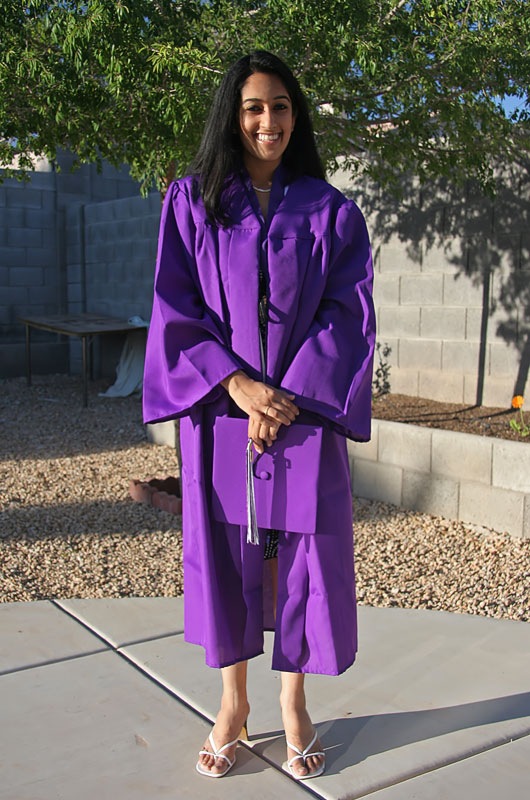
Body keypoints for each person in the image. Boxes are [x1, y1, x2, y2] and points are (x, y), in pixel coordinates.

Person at [143, 50, 375, 780]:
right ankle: (234, 703)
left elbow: (348, 317)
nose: (266, 121)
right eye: (252, 108)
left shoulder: (332, 212)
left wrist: (290, 396)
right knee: (227, 554)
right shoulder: (191, 202)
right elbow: (174, 310)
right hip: (219, 413)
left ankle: (294, 704)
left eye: (278, 106)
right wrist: (238, 385)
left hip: (302, 416)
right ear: (232, 116)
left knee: (302, 558)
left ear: (294, 114)